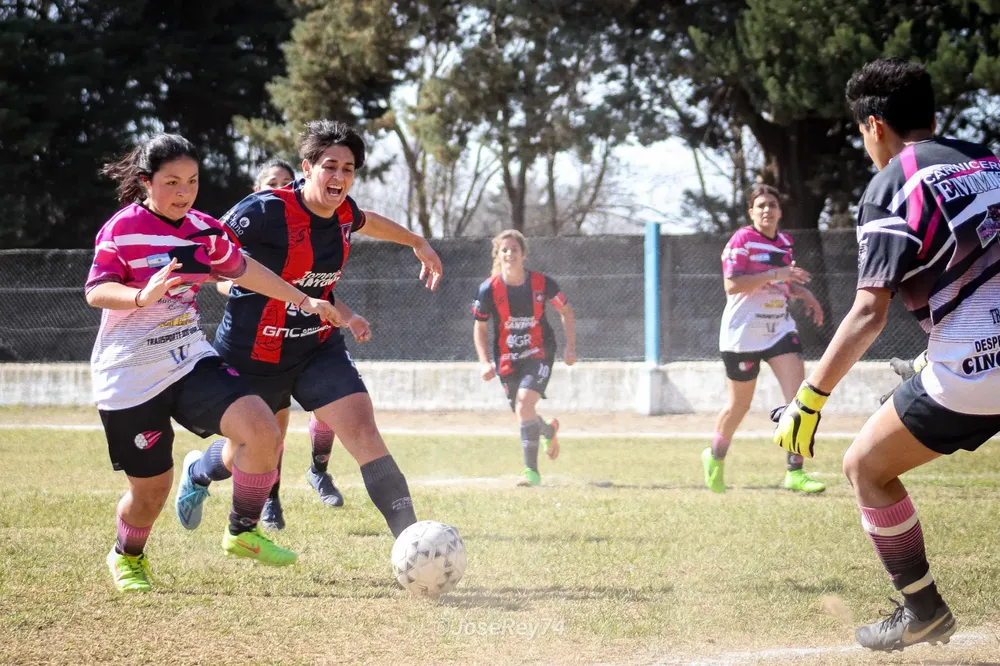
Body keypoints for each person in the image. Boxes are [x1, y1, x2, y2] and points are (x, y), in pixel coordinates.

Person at [772, 57, 1000, 651]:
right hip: (973, 359)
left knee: (864, 469)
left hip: (976, 370)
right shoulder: (987, 159)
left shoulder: (893, 183)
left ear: (874, 125)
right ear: (932, 114)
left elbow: (869, 312)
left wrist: (809, 399)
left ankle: (922, 609)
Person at [88, 133, 342, 592]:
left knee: (262, 429)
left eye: (192, 182)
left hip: (187, 356)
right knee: (151, 493)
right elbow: (96, 290)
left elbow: (245, 269)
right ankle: (127, 555)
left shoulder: (204, 229)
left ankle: (242, 532)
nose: (183, 192)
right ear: (146, 182)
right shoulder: (122, 228)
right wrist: (142, 296)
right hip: (128, 374)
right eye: (171, 182)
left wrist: (303, 299)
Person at [174, 119, 443, 540]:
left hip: (317, 349)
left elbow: (367, 221)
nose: (339, 177)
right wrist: (201, 280)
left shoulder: (344, 213)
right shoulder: (265, 209)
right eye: (330, 166)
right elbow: (209, 245)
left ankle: (412, 541)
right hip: (253, 356)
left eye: (348, 169)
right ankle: (197, 472)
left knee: (364, 432)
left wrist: (416, 242)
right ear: (308, 166)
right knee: (248, 449)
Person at [213, 155, 347, 530]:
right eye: (272, 184)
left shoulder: (304, 229)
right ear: (257, 191)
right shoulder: (252, 232)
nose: (280, 190)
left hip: (299, 340)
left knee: (308, 414)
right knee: (256, 438)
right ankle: (216, 479)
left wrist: (345, 314)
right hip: (256, 343)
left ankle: (297, 485)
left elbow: (320, 288)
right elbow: (225, 276)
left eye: (285, 184)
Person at [702, 184, 826, 494]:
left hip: (779, 330)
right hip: (742, 336)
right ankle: (714, 458)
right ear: (751, 212)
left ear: (780, 211)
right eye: (761, 205)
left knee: (799, 400)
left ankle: (794, 472)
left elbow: (780, 284)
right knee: (738, 407)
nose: (767, 209)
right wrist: (777, 275)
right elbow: (733, 284)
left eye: (772, 204)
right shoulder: (742, 240)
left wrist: (804, 293)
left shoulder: (785, 242)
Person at [472, 230, 576, 487]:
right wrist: (484, 361)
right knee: (522, 411)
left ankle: (531, 473)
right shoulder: (489, 289)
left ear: (524, 254)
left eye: (514, 250)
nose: (509, 254)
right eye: (504, 250)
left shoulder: (543, 284)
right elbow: (480, 327)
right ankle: (547, 431)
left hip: (539, 352)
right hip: (507, 357)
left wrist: (570, 347)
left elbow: (566, 311)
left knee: (523, 404)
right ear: (499, 254)